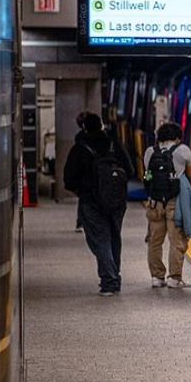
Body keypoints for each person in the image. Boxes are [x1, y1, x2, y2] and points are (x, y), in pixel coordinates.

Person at [64, 112, 133, 296]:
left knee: (100, 239)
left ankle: (109, 281)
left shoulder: (80, 149)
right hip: (117, 202)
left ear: (84, 127)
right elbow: (130, 170)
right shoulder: (113, 144)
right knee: (114, 237)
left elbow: (68, 180)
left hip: (91, 202)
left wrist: (84, 190)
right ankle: (114, 276)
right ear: (102, 125)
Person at [143, 122, 191, 289]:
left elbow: (146, 173)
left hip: (154, 202)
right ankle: (174, 278)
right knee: (177, 241)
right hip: (175, 202)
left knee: (155, 241)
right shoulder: (183, 151)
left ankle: (157, 277)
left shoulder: (150, 152)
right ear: (177, 137)